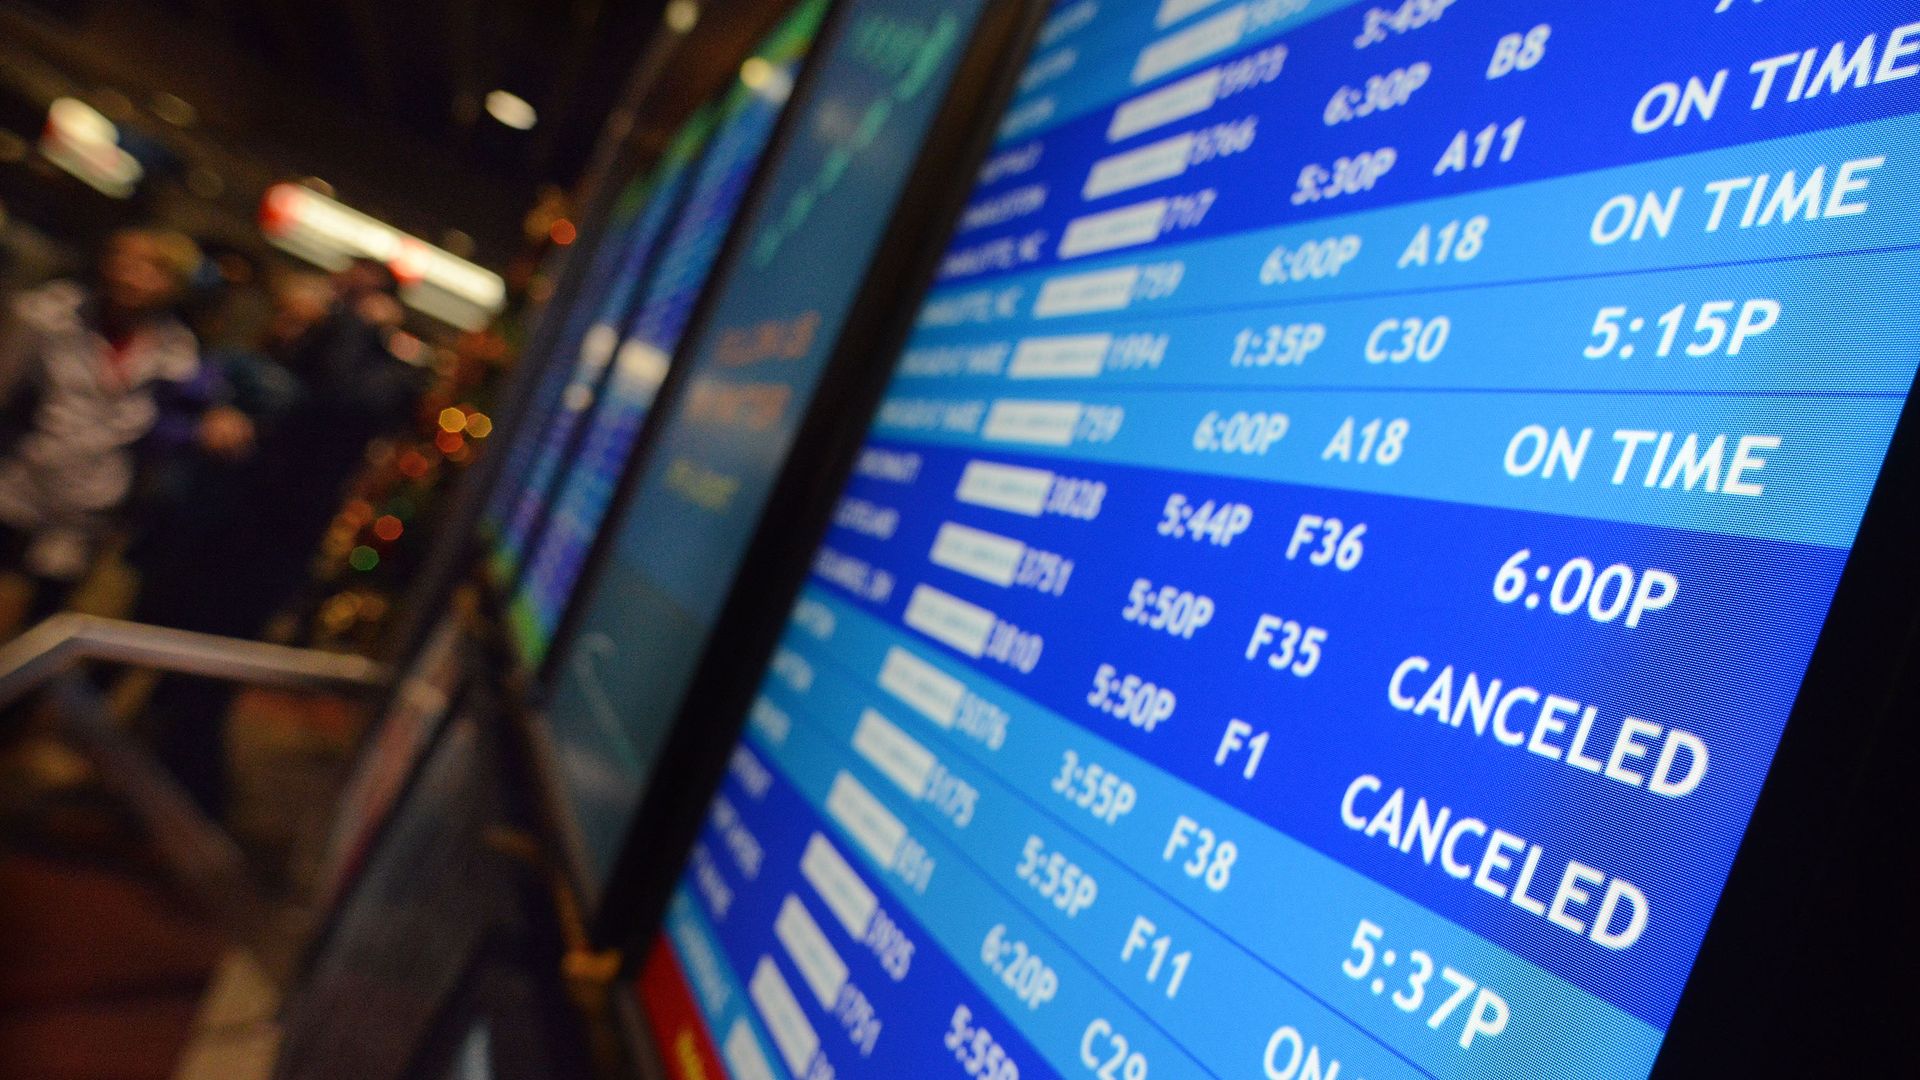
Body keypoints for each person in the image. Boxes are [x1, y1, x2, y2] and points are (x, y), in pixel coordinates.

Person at [139, 260, 425, 816]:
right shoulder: (312, 343)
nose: (344, 299)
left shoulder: (383, 362)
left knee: (208, 676)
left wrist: (366, 331)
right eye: (345, 286)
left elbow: (342, 407)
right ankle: (145, 776)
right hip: (221, 522)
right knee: (163, 648)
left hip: (273, 539)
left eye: (363, 292)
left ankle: (193, 803)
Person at [0, 228, 202, 628]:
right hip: (16, 487)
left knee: (42, 626)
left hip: (88, 510)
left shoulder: (177, 355)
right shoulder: (51, 316)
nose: (131, 276)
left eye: (152, 268)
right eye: (124, 261)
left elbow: (159, 443)